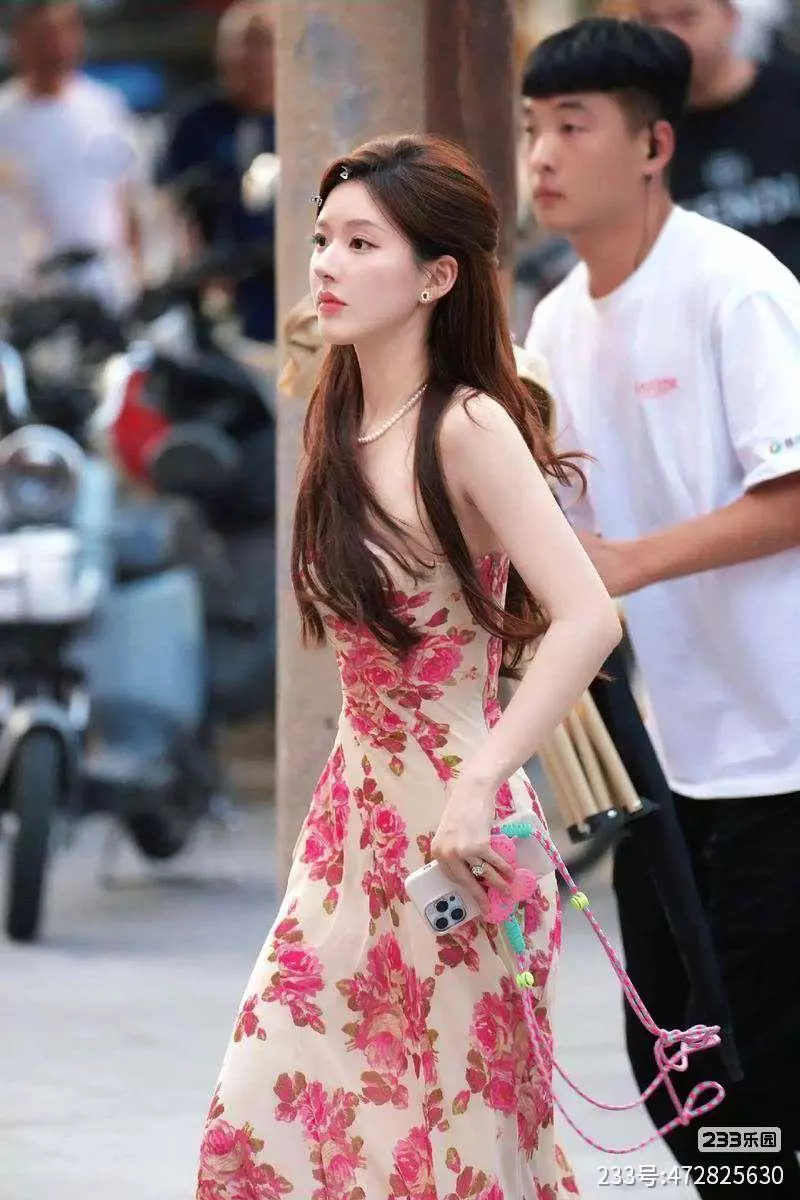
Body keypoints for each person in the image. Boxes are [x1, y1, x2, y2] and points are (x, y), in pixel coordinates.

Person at [196, 133, 622, 1199]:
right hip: (350, 823)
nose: (326, 265)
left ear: (435, 277)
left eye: (360, 243)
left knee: (451, 1151)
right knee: (268, 1115)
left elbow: (587, 616)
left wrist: (483, 781)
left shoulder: (468, 425)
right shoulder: (339, 412)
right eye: (322, 240)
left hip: (459, 828)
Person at [522, 16, 800, 1195]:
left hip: (783, 749)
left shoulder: (735, 287)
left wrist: (626, 563)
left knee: (761, 1069)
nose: (541, 155)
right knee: (673, 1062)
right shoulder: (553, 322)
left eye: (571, 126)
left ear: (651, 146)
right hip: (666, 760)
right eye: (531, 128)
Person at [637, 0, 800, 277]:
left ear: (730, 18)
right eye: (652, 22)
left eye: (687, 18)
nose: (669, 37)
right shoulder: (638, 130)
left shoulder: (790, 94)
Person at [0, 0, 141, 309]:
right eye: (41, 36)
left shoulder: (105, 106)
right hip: (27, 297)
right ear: (18, 41)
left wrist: (136, 275)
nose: (53, 47)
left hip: (105, 289)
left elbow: (125, 198)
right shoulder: (4, 119)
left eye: (62, 33)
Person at [158, 0, 276, 344]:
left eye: (261, 42)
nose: (249, 57)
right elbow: (172, 203)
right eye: (239, 44)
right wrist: (195, 263)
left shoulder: (300, 125)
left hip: (290, 281)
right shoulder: (195, 122)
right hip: (220, 287)